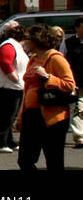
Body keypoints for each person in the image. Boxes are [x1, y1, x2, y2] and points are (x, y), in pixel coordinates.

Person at [17, 24, 78, 170]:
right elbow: (27, 89)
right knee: (25, 160)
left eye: (28, 39)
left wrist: (47, 77)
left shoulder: (56, 59)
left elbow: (70, 84)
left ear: (37, 40)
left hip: (52, 116)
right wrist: (20, 116)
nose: (25, 42)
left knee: (54, 161)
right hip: (32, 115)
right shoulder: (32, 59)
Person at [0, 21, 27, 153]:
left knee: (10, 116)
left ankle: (9, 141)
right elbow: (5, 63)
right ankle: (1, 143)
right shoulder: (9, 45)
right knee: (6, 116)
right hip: (7, 86)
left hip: (13, 85)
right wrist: (15, 78)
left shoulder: (13, 45)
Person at [61, 18, 83, 148]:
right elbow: (61, 59)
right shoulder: (68, 43)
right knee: (78, 109)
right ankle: (79, 137)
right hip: (76, 81)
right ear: (77, 28)